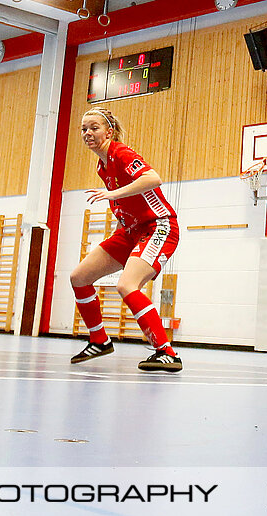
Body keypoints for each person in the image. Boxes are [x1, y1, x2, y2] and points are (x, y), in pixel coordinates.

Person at [66, 108, 182, 373]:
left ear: (108, 132)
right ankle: (99, 340)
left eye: (93, 128)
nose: (87, 133)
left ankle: (166, 352)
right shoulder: (101, 165)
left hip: (158, 227)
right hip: (129, 232)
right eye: (84, 129)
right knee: (79, 277)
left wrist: (111, 194)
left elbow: (153, 178)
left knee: (126, 286)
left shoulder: (121, 153)